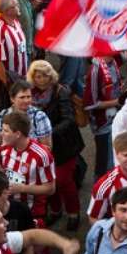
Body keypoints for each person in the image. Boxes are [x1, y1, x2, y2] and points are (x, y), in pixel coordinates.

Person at [27, 60, 84, 231]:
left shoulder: (61, 92)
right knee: (47, 181)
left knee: (64, 181)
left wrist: (46, 133)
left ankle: (74, 213)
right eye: (38, 76)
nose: (42, 80)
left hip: (63, 146)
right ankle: (56, 210)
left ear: (51, 76)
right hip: (42, 147)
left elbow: (69, 119)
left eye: (45, 76)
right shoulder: (30, 94)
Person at [0, 111, 56, 222]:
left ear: (17, 134)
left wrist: (22, 188)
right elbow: (1, 173)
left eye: (5, 131)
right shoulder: (3, 149)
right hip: (9, 209)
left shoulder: (41, 156)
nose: (1, 134)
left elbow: (50, 189)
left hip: (33, 212)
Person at [0, 80, 53, 153]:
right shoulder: (2, 116)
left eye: (29, 97)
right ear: (12, 99)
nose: (26, 100)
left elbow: (47, 149)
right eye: (22, 97)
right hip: (8, 161)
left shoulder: (39, 117)